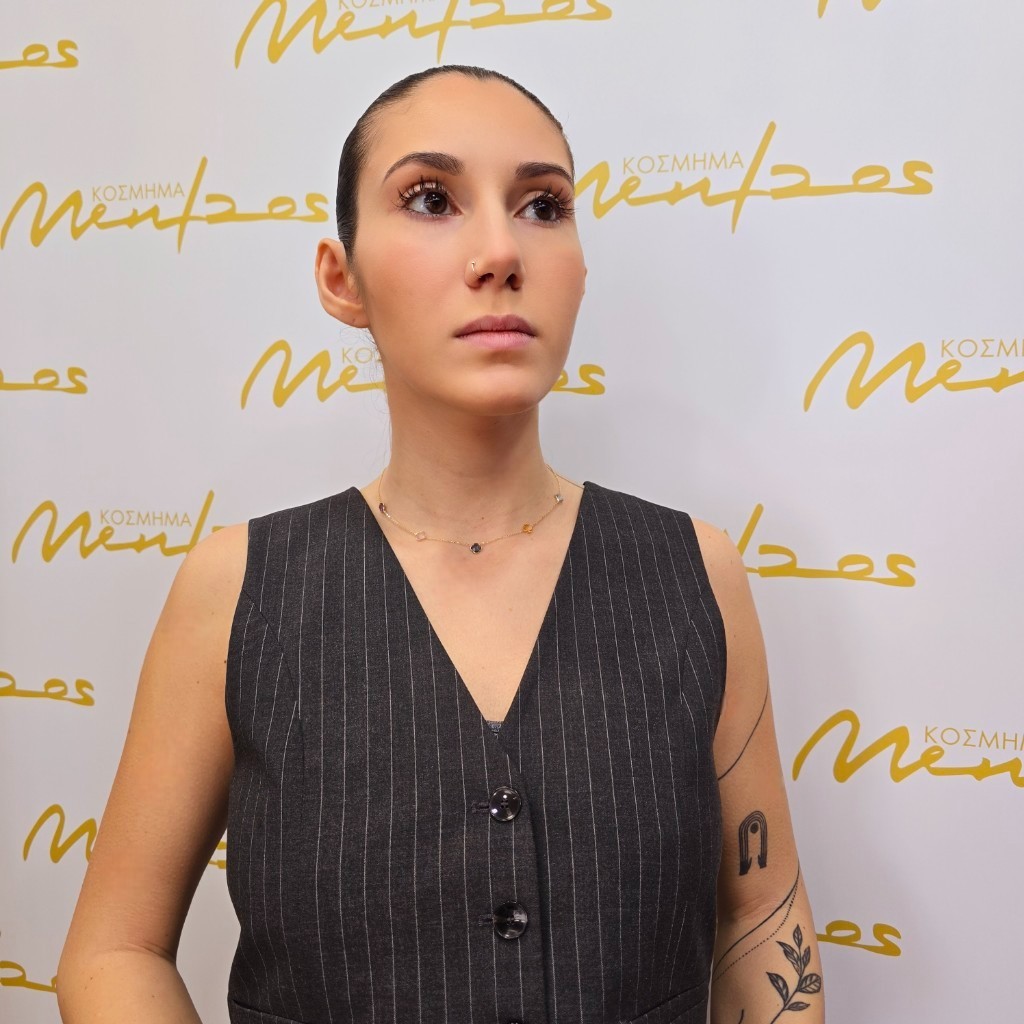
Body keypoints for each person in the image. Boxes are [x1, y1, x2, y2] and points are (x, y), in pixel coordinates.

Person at [56, 66, 824, 1024]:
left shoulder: (693, 574)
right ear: (342, 279)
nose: (501, 251)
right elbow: (115, 949)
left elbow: (763, 920)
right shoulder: (237, 590)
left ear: (580, 270)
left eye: (543, 206)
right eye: (430, 199)